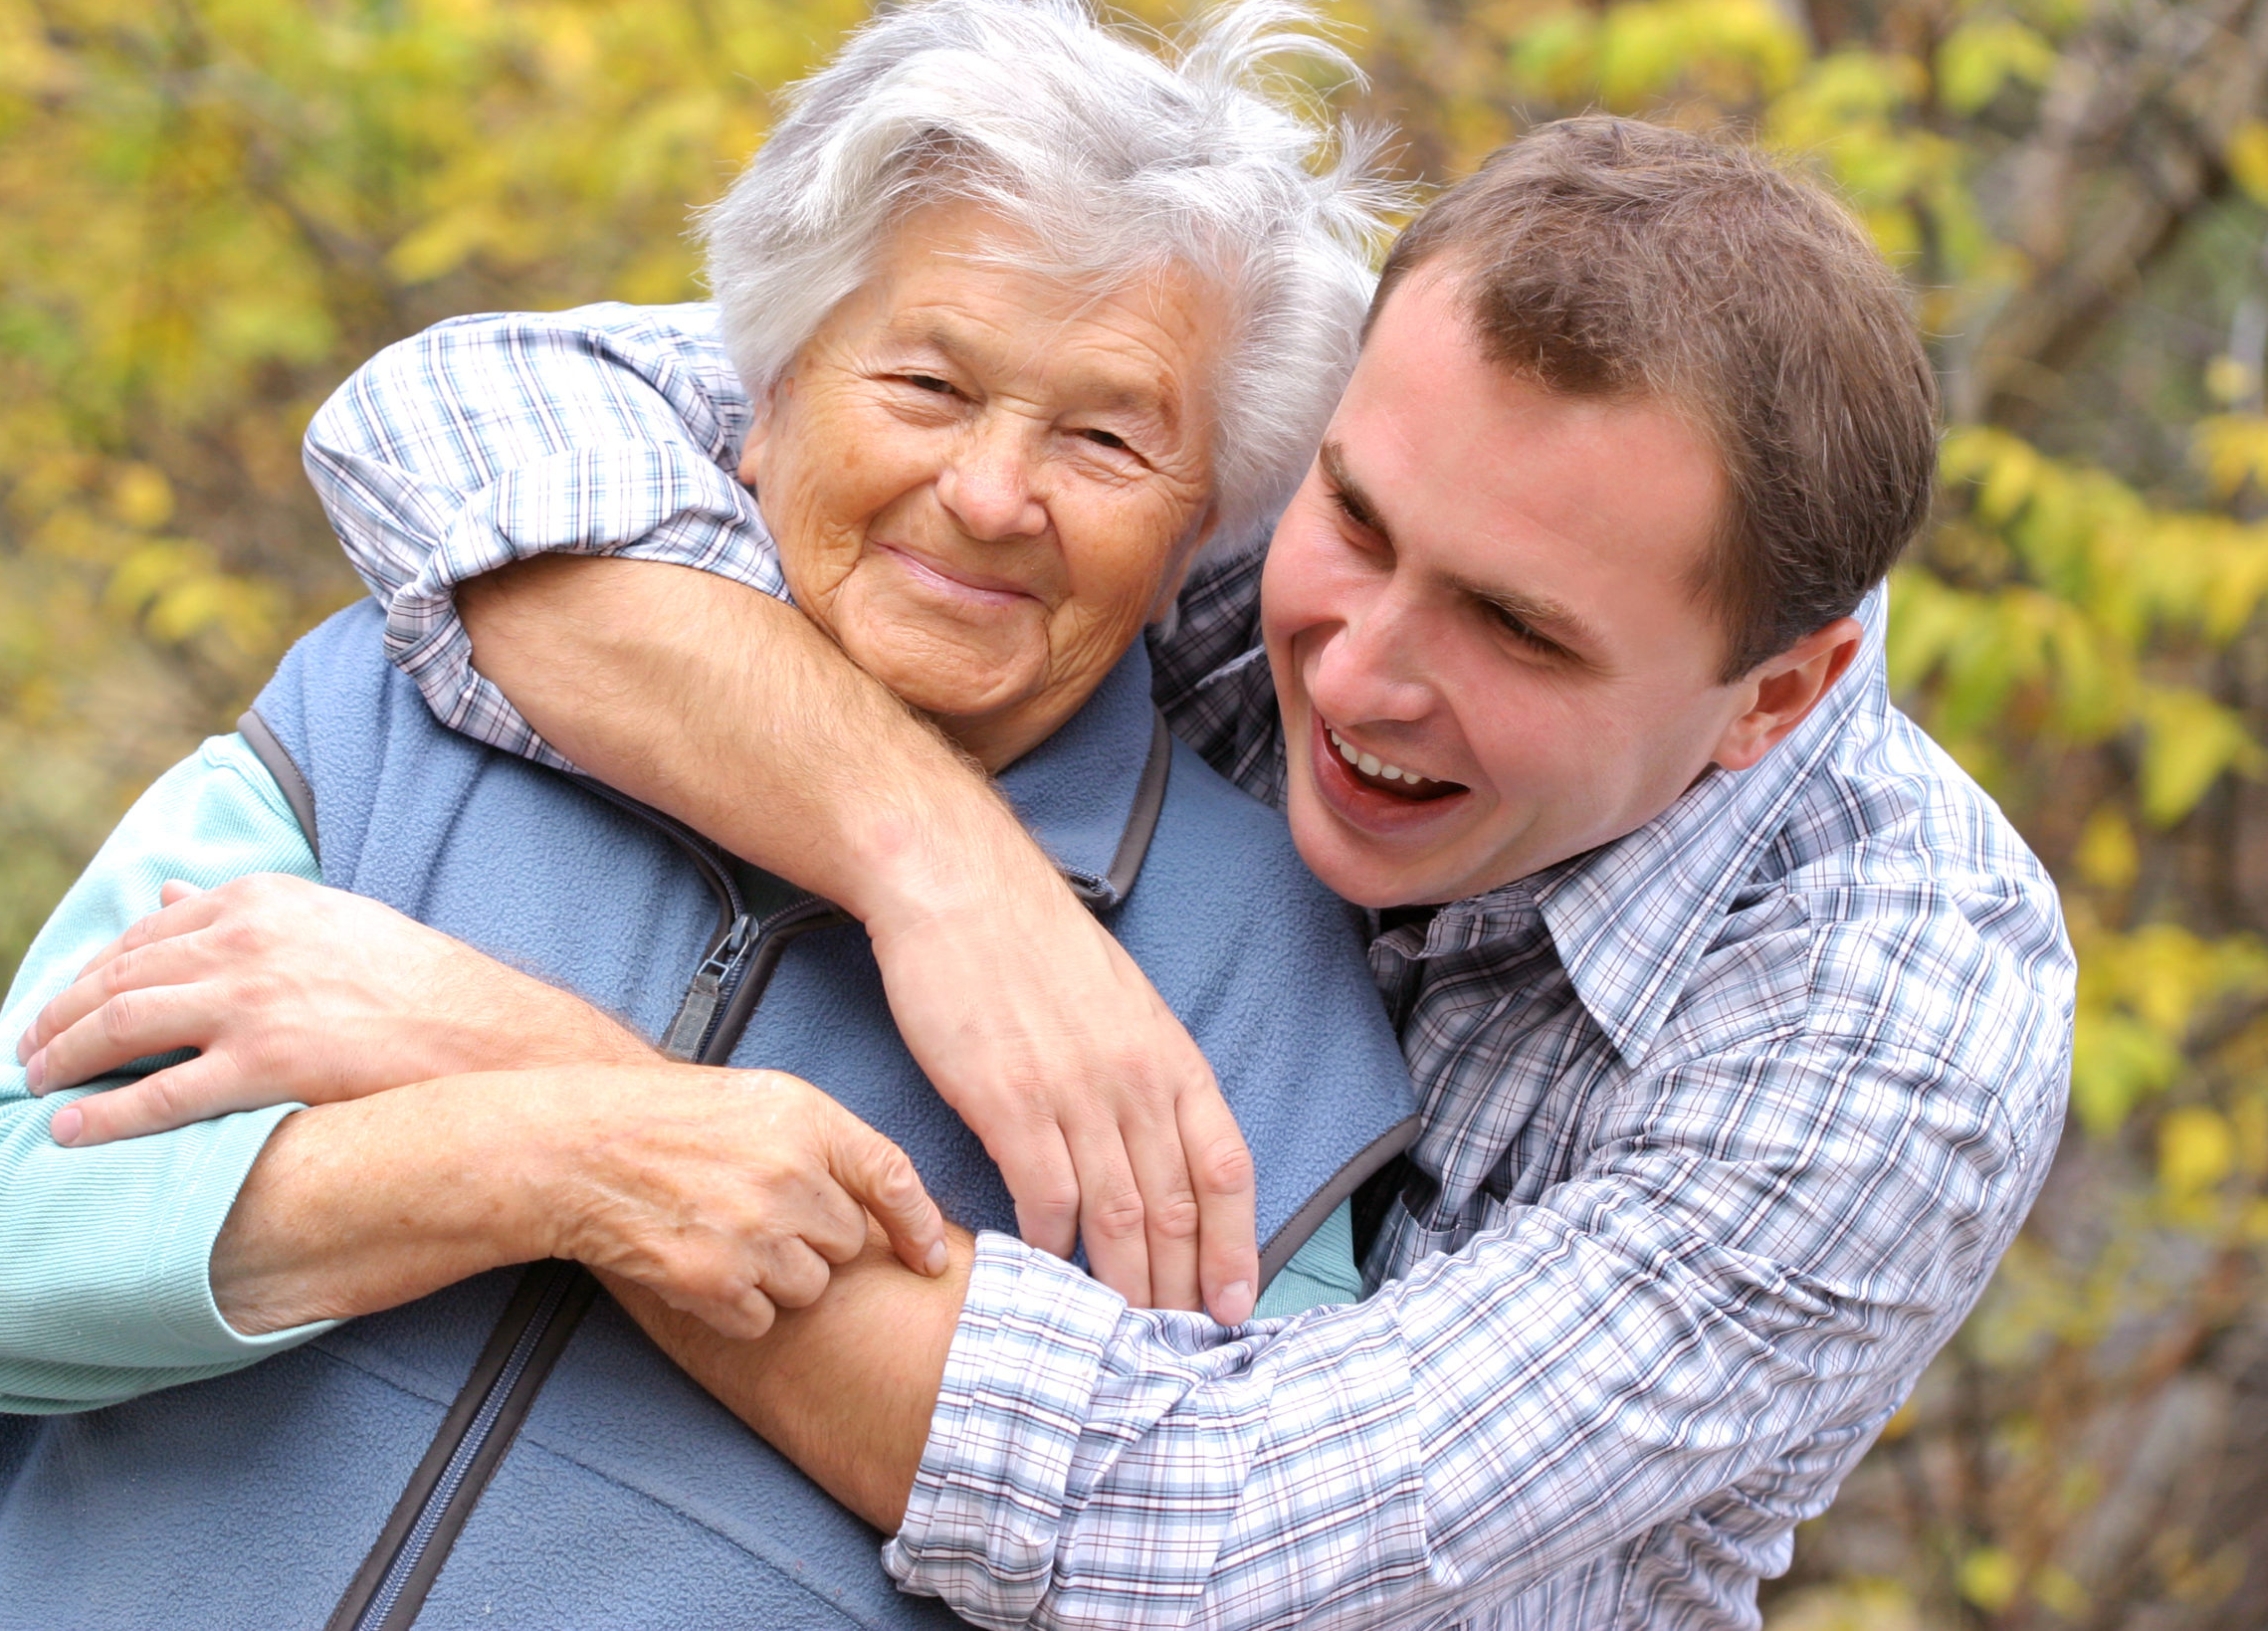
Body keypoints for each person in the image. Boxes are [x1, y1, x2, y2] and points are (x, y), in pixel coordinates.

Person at [213, 116, 2069, 1625]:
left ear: (1776, 695)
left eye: (1515, 629)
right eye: (1352, 518)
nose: (1353, 666)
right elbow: (465, 424)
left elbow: (1198, 1533)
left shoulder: (1896, 1020)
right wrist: (941, 865)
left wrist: (565, 1110)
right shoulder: (1209, 467)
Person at [0, 0, 1420, 1631]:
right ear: (761, 395)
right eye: (926, 387)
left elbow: (1209, 1569)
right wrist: (561, 1152)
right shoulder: (404, 702)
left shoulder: (1265, 995)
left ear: (1203, 526)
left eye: (1106, 438)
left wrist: (516, 1086)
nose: (995, 496)